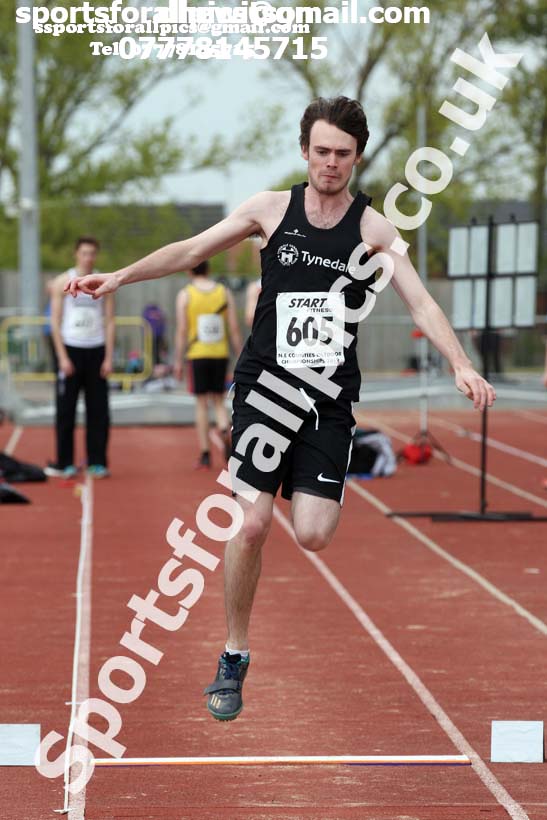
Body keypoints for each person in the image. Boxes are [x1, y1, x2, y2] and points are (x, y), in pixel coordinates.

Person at [65, 96, 496, 720]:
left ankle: (294, 483)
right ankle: (234, 654)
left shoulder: (374, 230)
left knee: (315, 535)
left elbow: (422, 303)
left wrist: (459, 361)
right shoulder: (271, 209)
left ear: (357, 158)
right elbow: (191, 250)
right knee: (252, 523)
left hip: (326, 400)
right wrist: (119, 278)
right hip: (265, 388)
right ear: (305, 151)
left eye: (342, 154)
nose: (330, 164)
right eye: (321, 152)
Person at [46, 236, 115, 479]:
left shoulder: (102, 282)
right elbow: (54, 322)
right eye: (84, 253)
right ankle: (64, 462)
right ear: (76, 254)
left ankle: (97, 461)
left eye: (92, 253)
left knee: (99, 410)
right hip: (71, 349)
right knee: (66, 410)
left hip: (96, 349)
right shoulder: (62, 282)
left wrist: (108, 357)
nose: (88, 257)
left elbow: (110, 320)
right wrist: (62, 357)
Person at [174, 260, 242, 468]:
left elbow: (182, 330)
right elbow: (233, 328)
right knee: (219, 400)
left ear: (188, 270)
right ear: (208, 269)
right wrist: (241, 355)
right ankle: (223, 427)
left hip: (197, 355)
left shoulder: (186, 294)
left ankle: (205, 452)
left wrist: (177, 360)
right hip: (219, 354)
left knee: (202, 403)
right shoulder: (223, 292)